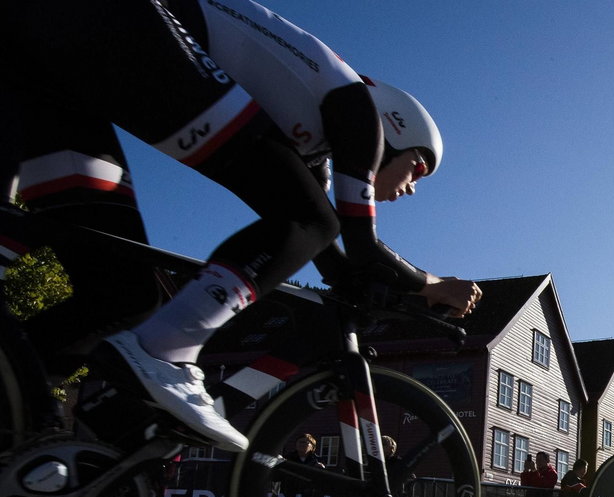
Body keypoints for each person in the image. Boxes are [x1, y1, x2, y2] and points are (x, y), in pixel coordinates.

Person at [2, 0, 482, 453]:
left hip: (49, 72)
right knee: (308, 217)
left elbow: (335, 263)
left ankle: (15, 427)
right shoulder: (355, 110)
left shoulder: (308, 157)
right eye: (418, 169)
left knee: (119, 294)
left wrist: (401, 295)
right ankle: (165, 351)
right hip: (107, 20)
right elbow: (355, 242)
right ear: (392, 130)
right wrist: (433, 283)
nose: (413, 188)